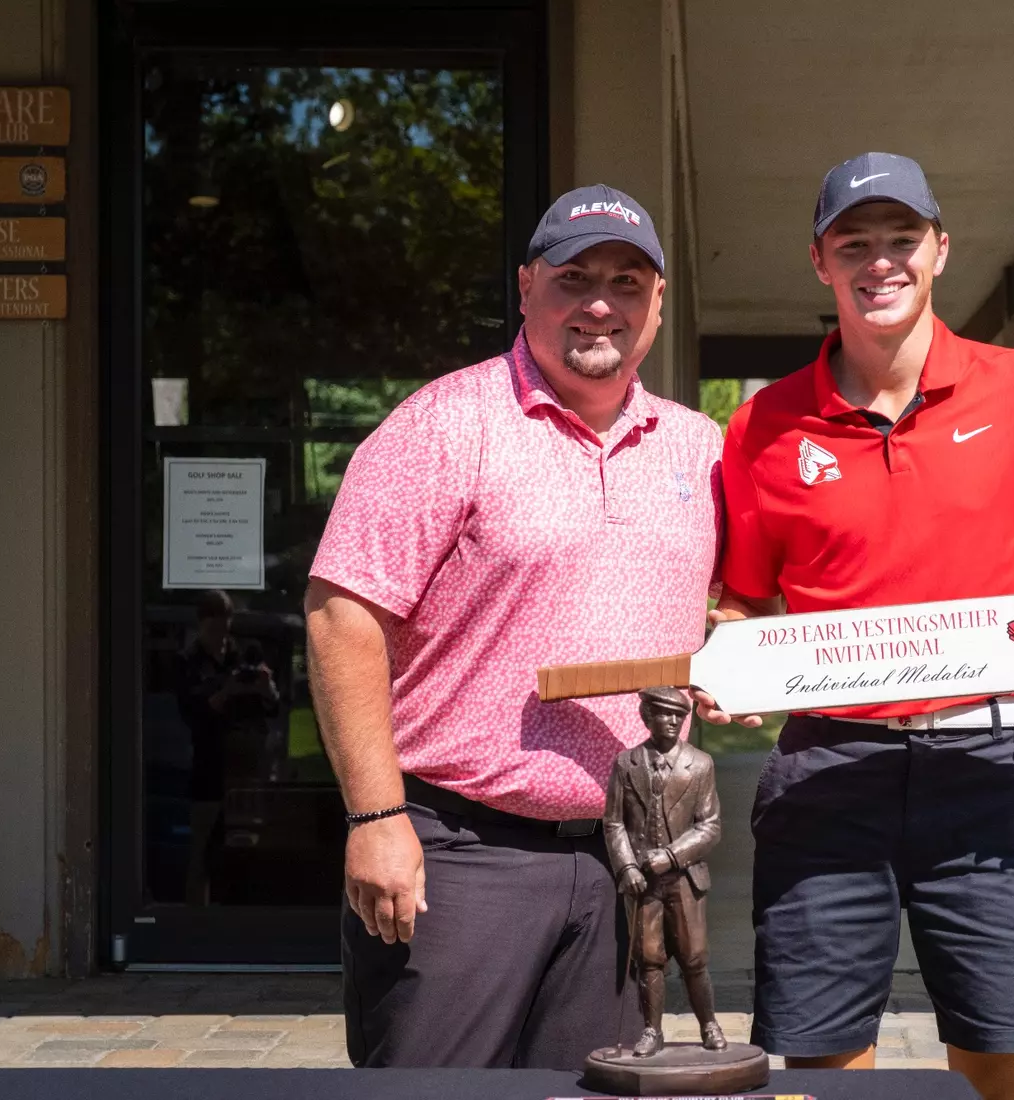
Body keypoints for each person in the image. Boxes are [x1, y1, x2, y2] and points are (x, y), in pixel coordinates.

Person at [698, 152, 1014, 1100]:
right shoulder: (762, 427)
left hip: (989, 770)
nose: (880, 261)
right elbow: (741, 600)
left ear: (941, 249)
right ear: (820, 260)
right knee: (823, 1074)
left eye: (903, 238)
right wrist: (728, 665)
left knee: (994, 1067)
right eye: (853, 242)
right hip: (827, 770)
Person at [305, 184, 724, 1069]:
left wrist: (738, 657)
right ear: (527, 288)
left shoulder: (701, 449)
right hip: (459, 857)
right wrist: (375, 815)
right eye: (574, 279)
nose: (600, 302)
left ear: (657, 306)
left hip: (625, 862)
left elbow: (725, 608)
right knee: (428, 1095)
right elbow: (344, 617)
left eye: (626, 280)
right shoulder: (445, 425)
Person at [603, 686, 725, 1058]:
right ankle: (651, 1030)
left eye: (679, 716)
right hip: (643, 882)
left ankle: (709, 1023)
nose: (672, 722)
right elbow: (613, 823)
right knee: (649, 956)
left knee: (693, 956)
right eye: (664, 714)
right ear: (646, 717)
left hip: (684, 878)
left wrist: (672, 856)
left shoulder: (700, 764)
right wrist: (626, 867)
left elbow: (710, 826)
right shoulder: (627, 764)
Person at [175, 588, 280, 905]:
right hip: (209, 766)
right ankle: (196, 918)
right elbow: (192, 713)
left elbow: (274, 708)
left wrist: (266, 687)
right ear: (201, 622)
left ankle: (241, 915)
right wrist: (227, 691)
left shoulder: (244, 656)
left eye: (225, 621)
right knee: (202, 850)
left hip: (246, 768)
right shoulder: (189, 662)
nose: (221, 629)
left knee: (246, 848)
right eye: (214, 622)